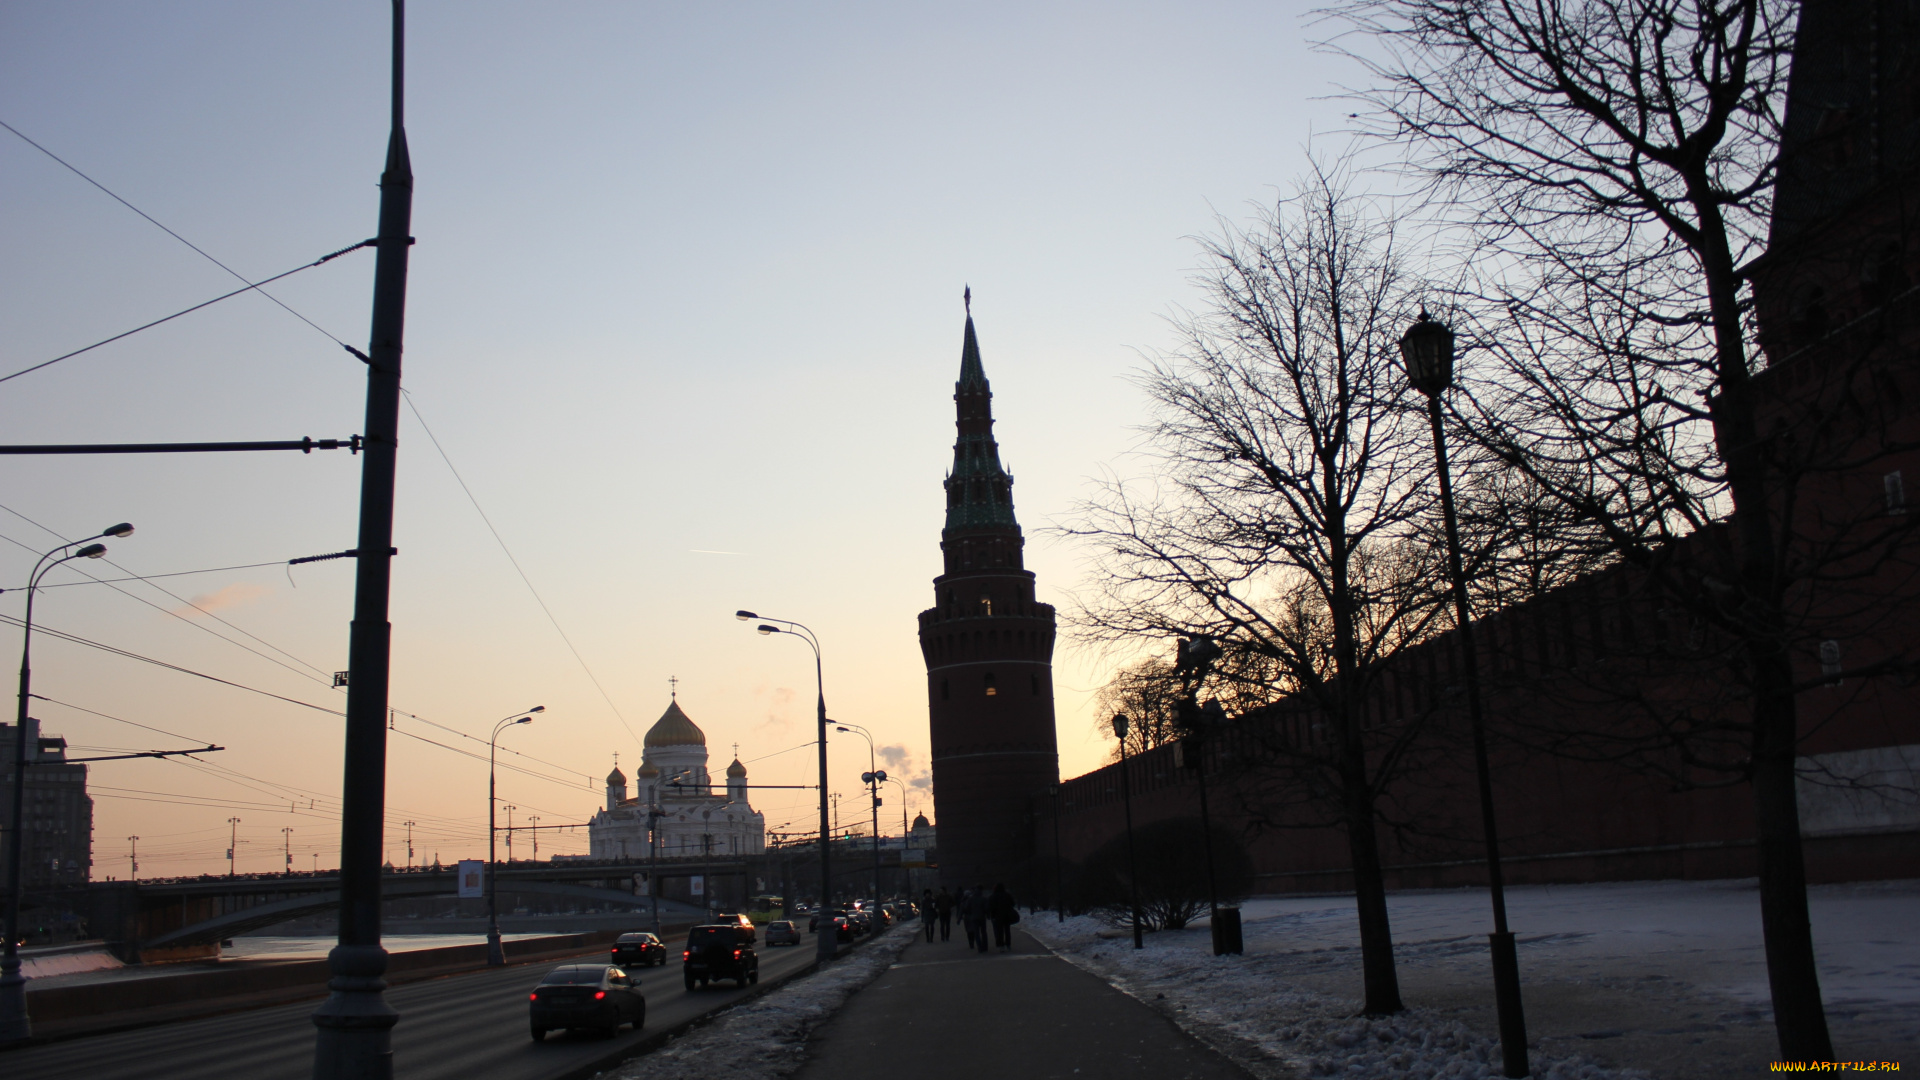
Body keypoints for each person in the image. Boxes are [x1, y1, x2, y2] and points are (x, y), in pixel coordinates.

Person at [988, 882, 1019, 951]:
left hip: (997, 916)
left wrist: (992, 914)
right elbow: (1013, 903)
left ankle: (1001, 945)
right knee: (1007, 930)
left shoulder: (993, 896)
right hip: (1007, 915)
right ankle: (1008, 944)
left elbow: (990, 907)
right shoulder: (1007, 895)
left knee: (999, 931)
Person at [961, 884, 990, 954]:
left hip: (974, 917)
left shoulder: (971, 899)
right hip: (982, 917)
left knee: (976, 933)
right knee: (983, 932)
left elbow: (967, 908)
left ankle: (979, 947)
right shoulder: (984, 898)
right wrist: (988, 915)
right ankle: (985, 947)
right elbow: (987, 909)